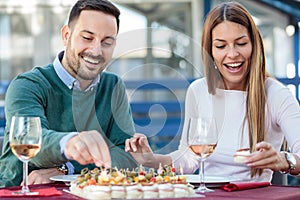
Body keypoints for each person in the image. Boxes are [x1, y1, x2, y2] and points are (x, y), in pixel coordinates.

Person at [125, 1, 300, 182]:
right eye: (221, 46)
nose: (232, 54)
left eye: (241, 43)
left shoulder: (276, 94)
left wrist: (284, 160)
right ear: (210, 51)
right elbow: (190, 157)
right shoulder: (198, 91)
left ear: (254, 46)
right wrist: (151, 160)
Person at [0, 0, 137, 187]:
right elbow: (30, 144)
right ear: (66, 36)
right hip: (21, 191)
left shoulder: (113, 86)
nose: (96, 51)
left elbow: (127, 158)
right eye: (87, 38)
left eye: (107, 42)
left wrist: (67, 169)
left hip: (86, 194)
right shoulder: (28, 85)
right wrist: (70, 143)